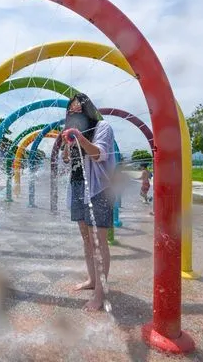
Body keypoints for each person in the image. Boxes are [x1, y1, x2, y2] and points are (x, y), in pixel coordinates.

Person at [62, 93, 115, 311]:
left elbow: (99, 154)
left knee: (98, 241)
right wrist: (68, 144)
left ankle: (100, 295)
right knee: (85, 238)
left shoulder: (103, 127)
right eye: (71, 112)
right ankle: (92, 280)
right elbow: (66, 160)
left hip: (98, 188)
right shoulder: (73, 133)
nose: (75, 115)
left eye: (79, 111)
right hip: (77, 186)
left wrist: (80, 137)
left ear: (88, 111)